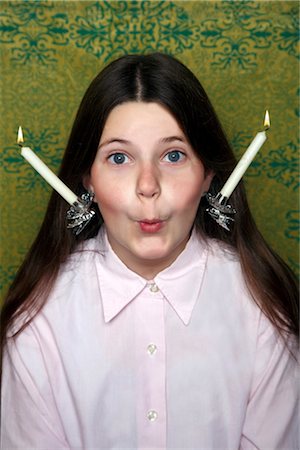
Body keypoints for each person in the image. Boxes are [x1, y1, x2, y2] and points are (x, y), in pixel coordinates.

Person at [0, 53, 298, 450]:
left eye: (173, 155)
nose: (147, 185)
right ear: (88, 178)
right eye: (119, 158)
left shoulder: (262, 310)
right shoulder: (39, 324)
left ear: (208, 173)